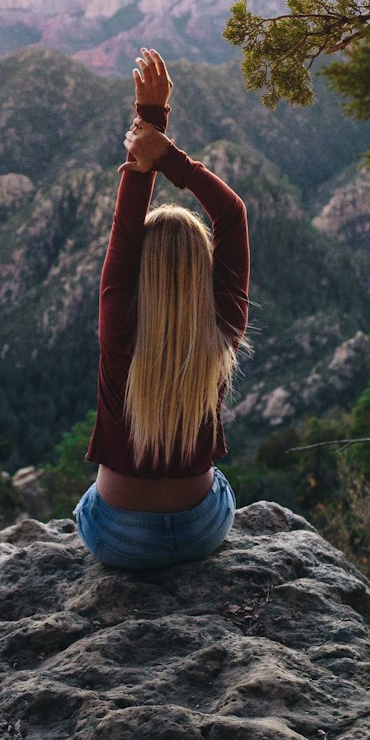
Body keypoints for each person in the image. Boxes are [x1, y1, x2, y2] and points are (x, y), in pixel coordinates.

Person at [76, 48, 250, 571]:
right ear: (204, 272)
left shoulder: (119, 321)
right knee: (220, 486)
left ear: (138, 275)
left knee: (87, 503)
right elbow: (232, 214)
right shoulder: (221, 326)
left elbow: (125, 231)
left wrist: (148, 127)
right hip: (202, 529)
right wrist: (165, 150)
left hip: (117, 537)